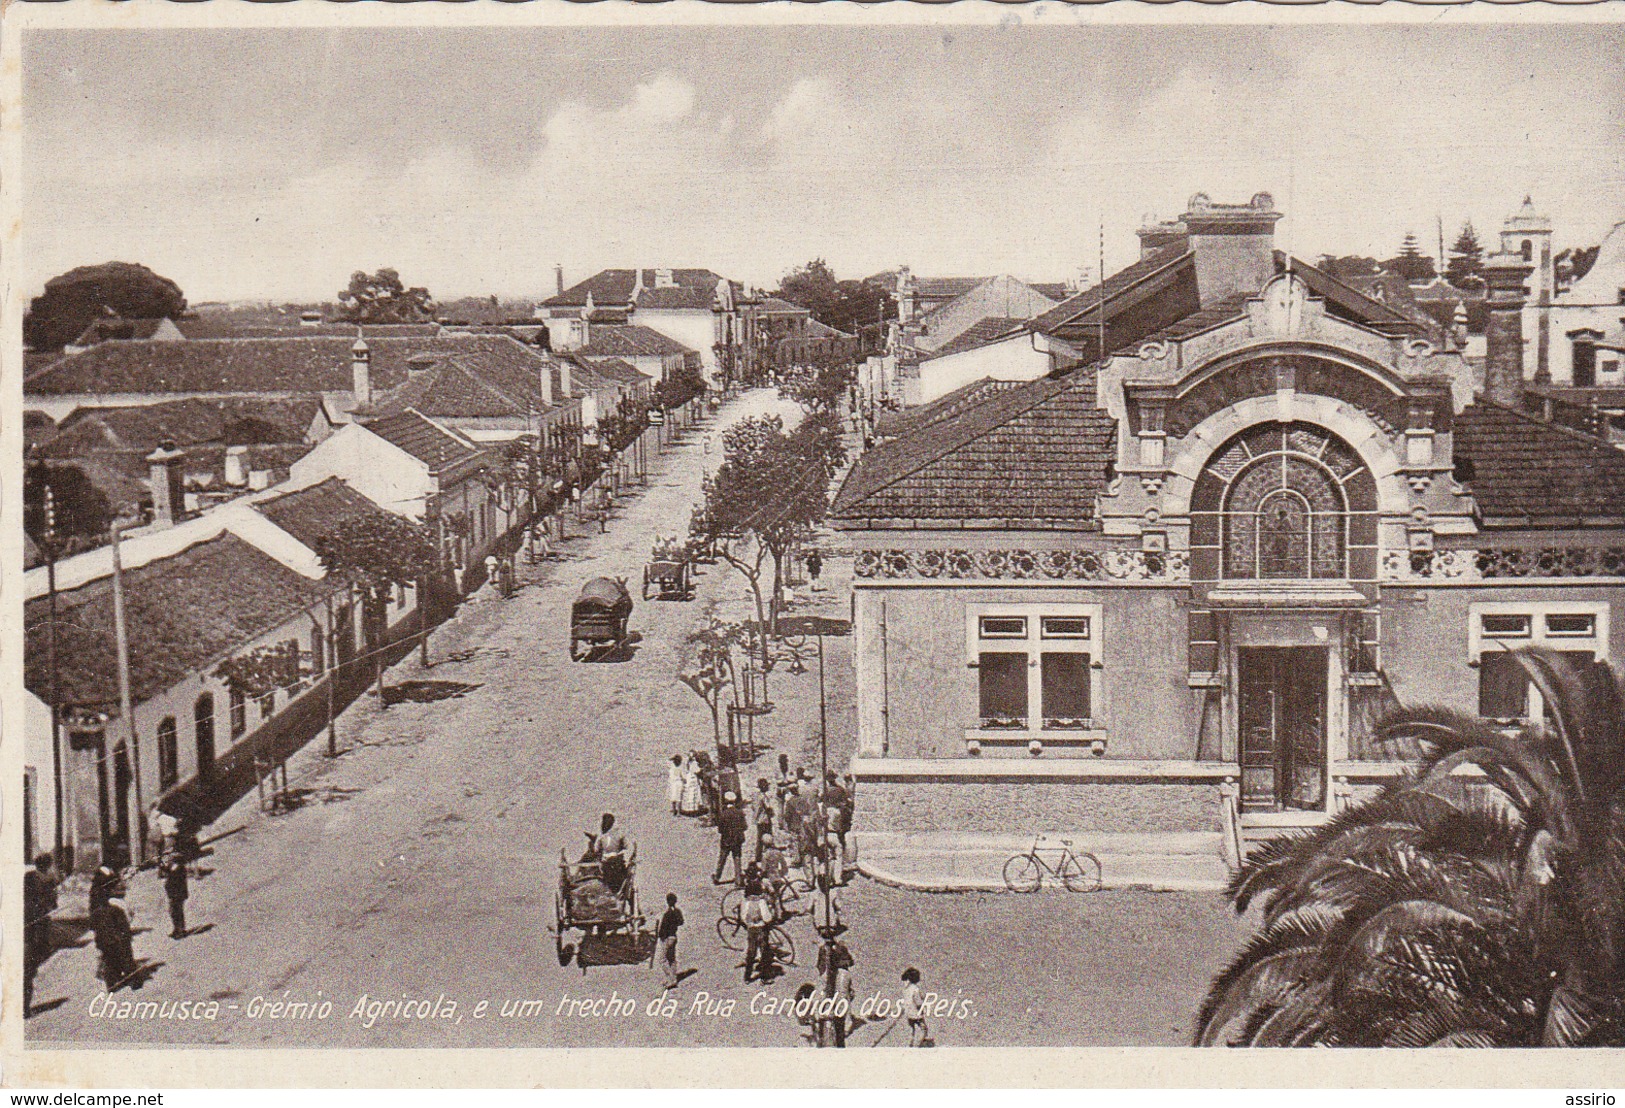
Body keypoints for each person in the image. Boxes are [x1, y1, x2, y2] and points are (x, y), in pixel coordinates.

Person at [23, 854, 57, 1016]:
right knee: (38, 943)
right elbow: (52, 898)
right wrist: (50, 906)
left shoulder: (28, 876)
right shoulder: (49, 878)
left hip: (30, 916)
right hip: (38, 916)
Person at [92, 897, 138, 990]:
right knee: (125, 957)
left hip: (104, 942)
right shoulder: (116, 910)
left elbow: (94, 928)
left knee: (109, 960)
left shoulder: (95, 913)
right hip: (116, 940)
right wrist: (126, 937)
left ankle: (111, 981)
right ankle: (132, 980)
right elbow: (124, 926)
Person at [588, 813, 629, 898]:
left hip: (606, 862)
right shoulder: (620, 834)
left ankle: (608, 890)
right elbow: (626, 847)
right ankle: (618, 891)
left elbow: (596, 849)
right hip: (618, 861)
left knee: (603, 872)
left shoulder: (601, 836)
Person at [741, 881, 773, 983]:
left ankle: (747, 976)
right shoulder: (761, 902)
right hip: (761, 929)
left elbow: (743, 917)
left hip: (751, 929)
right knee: (764, 953)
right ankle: (764, 977)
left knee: (751, 952)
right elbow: (767, 917)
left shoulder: (746, 902)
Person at [714, 793, 746, 886]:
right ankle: (738, 880)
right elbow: (744, 826)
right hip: (737, 840)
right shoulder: (740, 813)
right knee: (737, 859)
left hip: (726, 840)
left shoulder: (723, 814)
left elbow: (720, 829)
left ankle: (717, 877)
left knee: (722, 859)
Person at [656, 893, 684, 990]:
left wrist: (660, 936)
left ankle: (670, 978)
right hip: (674, 937)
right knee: (672, 959)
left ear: (667, 902)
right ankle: (674, 978)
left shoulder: (667, 914)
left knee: (662, 959)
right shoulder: (677, 912)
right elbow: (681, 922)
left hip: (667, 938)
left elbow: (663, 929)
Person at [162, 857, 190, 938]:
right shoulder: (173, 867)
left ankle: (181, 930)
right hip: (172, 894)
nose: (169, 860)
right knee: (173, 912)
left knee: (178, 912)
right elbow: (167, 871)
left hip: (178, 894)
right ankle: (176, 929)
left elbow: (177, 880)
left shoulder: (181, 869)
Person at [901, 967, 930, 1046]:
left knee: (911, 1029)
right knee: (923, 1029)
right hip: (916, 1013)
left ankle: (910, 1043)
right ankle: (918, 1044)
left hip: (908, 1013)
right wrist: (922, 1009)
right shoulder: (915, 989)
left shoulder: (906, 989)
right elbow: (918, 1002)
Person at [751, 778, 775, 862]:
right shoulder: (764, 797)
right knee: (768, 837)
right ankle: (771, 855)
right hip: (765, 819)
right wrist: (771, 813)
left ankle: (758, 857)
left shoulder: (755, 796)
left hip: (758, 820)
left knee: (759, 838)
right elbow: (768, 808)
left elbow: (753, 807)